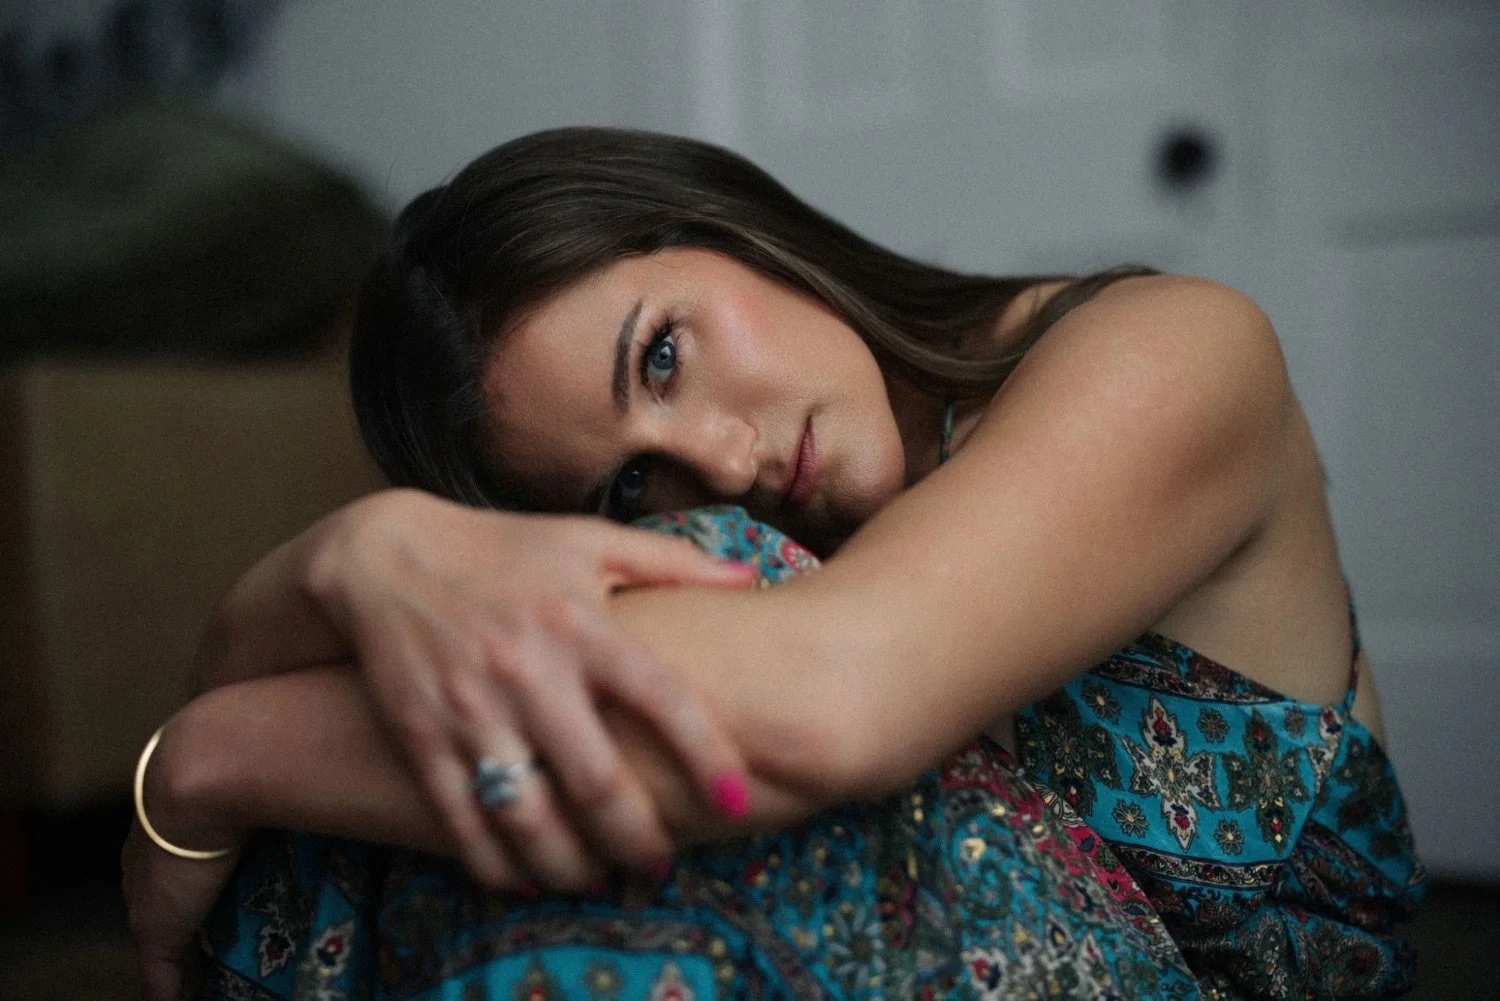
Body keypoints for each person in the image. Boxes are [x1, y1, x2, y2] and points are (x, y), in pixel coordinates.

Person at [121, 127, 1423, 1000]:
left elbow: (822, 705)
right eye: (631, 479)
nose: (722, 457)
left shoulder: (1178, 348)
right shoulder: (745, 554)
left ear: (724, 228)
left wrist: (213, 757)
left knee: (632, 669)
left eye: (662, 356)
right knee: (509, 675)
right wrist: (356, 558)